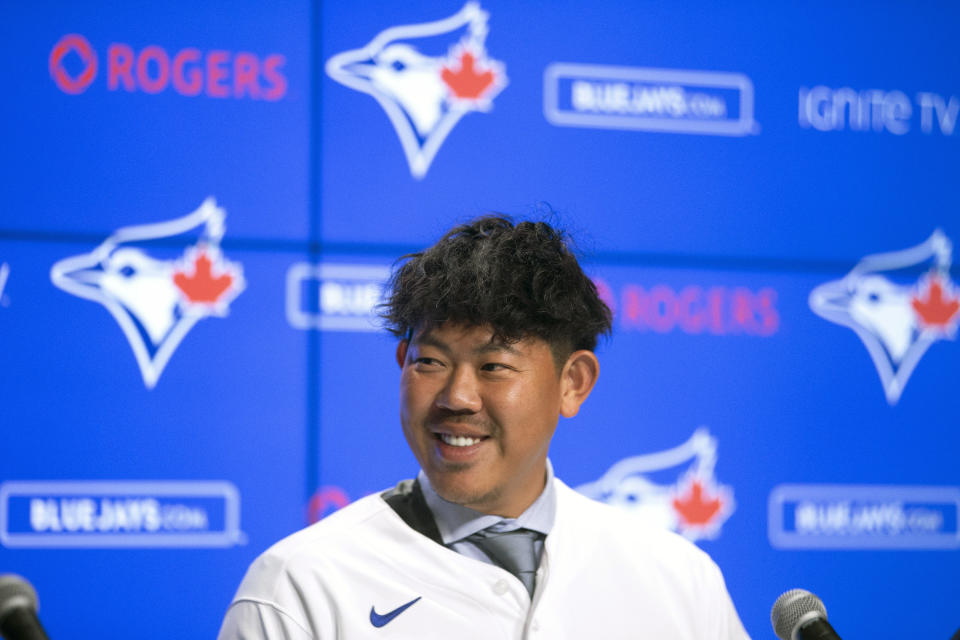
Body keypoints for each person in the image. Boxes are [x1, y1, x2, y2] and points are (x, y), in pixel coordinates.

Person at [219, 216, 750, 639]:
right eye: (430, 362)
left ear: (574, 383)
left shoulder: (679, 580)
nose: (457, 398)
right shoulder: (300, 587)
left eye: (494, 366)